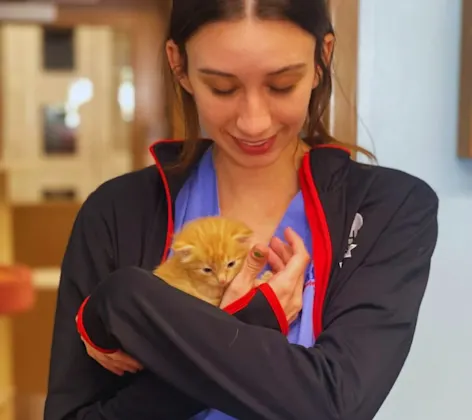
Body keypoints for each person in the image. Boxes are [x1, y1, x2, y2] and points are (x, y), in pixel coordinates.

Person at [44, 0, 439, 419]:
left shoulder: (389, 210)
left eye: (282, 85)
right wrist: (252, 320)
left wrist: (127, 300)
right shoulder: (117, 213)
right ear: (179, 66)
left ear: (323, 58)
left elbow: (333, 403)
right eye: (223, 88)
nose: (254, 122)